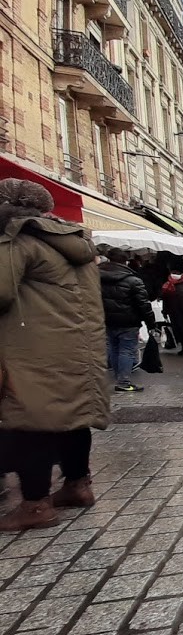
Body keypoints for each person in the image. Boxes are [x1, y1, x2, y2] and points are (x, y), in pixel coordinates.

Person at [0, 179, 110, 531]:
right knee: (72, 415)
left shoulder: (20, 241)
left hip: (35, 347)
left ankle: (34, 505)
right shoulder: (75, 244)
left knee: (31, 423)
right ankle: (78, 485)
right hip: (79, 346)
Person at [99, 248, 155, 393]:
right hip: (128, 321)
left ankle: (120, 379)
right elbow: (144, 304)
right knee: (127, 350)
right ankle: (123, 382)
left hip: (106, 319)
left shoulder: (96, 277)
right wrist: (151, 324)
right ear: (126, 261)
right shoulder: (133, 280)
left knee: (114, 348)